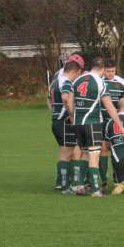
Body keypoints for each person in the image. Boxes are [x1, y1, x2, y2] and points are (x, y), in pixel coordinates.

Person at [73, 57, 124, 197]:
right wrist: (120, 125)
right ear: (102, 68)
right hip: (92, 122)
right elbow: (109, 107)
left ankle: (79, 187)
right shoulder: (100, 82)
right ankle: (96, 190)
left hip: (77, 123)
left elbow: (70, 103)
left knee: (84, 154)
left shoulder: (78, 80)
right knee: (94, 156)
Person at [47, 61, 82, 194]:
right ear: (73, 72)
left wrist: (55, 114)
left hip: (56, 121)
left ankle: (63, 184)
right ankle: (66, 187)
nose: (77, 77)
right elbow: (66, 99)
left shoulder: (55, 82)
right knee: (67, 154)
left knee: (63, 153)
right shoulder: (66, 82)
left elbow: (49, 99)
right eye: (77, 74)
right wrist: (72, 114)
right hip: (64, 122)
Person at [99, 58, 124, 188]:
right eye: (108, 71)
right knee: (103, 149)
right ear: (103, 70)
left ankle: (118, 178)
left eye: (112, 71)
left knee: (117, 149)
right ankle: (104, 181)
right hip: (101, 120)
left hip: (116, 122)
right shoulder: (99, 81)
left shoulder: (121, 82)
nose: (110, 73)